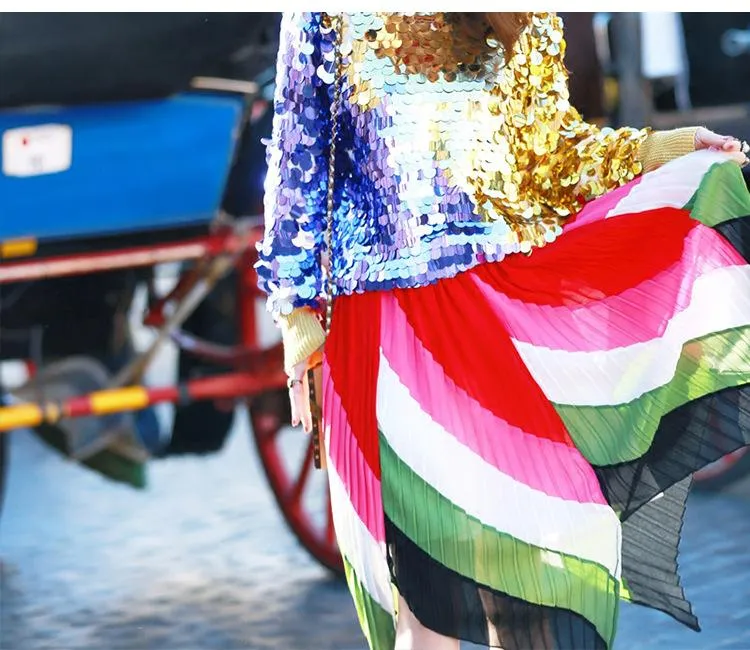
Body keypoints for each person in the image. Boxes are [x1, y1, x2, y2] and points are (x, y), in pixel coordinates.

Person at [257, 12, 750, 650]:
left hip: (495, 317)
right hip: (381, 334)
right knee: (427, 608)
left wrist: (666, 151)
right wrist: (300, 333)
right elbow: (297, 177)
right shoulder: (323, 12)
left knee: (532, 586)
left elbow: (552, 155)